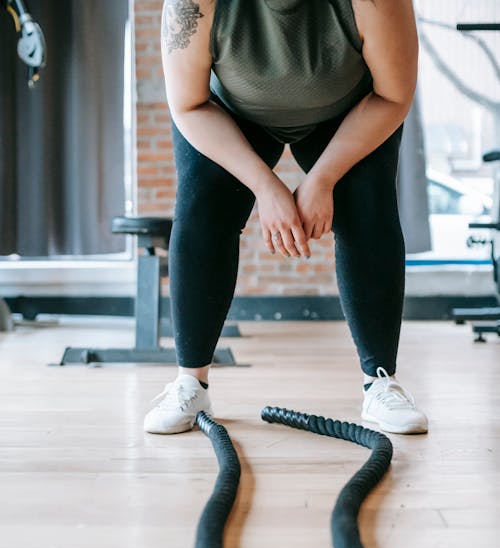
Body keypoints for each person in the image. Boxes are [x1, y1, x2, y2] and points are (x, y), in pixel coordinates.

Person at [144, 0, 428, 436]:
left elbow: (393, 94)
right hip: (229, 111)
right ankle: (190, 381)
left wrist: (323, 179)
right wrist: (264, 186)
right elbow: (188, 105)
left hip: (349, 109)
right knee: (203, 207)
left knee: (369, 207)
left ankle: (381, 382)